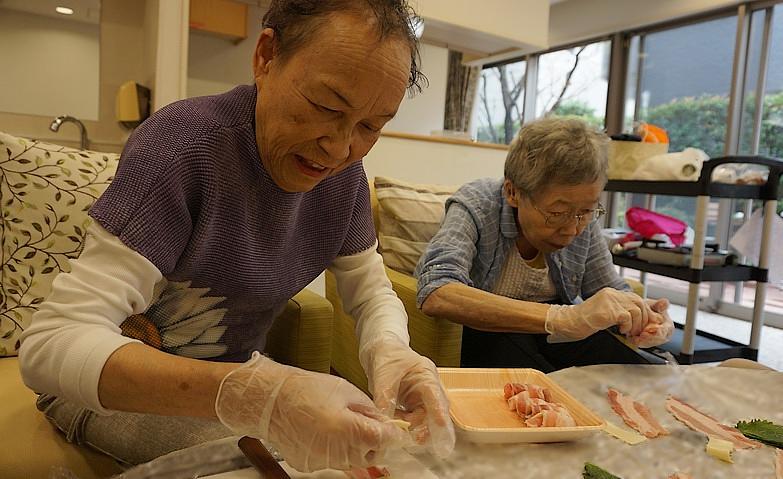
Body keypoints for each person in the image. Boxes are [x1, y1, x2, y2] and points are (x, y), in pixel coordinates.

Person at [18, 0, 454, 472]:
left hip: (230, 388)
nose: (339, 148)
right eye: (326, 106)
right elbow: (52, 344)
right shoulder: (182, 147)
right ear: (266, 57)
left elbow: (369, 292)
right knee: (297, 465)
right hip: (105, 390)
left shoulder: (343, 178)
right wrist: (260, 393)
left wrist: (392, 352)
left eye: (371, 126)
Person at [415, 117, 674, 371]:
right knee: (526, 367)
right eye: (557, 213)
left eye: (586, 211)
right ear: (513, 192)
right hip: (488, 333)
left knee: (643, 371)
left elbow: (608, 289)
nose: (572, 229)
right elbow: (437, 290)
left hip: (555, 337)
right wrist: (562, 317)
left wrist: (643, 316)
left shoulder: (581, 220)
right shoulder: (477, 204)